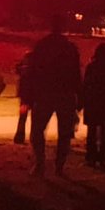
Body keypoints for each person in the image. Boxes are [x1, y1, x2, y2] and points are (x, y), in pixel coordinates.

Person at [22, 17, 81, 177]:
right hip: (64, 94)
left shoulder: (42, 46)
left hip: (45, 93)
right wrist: (78, 97)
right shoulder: (70, 48)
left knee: (37, 130)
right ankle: (59, 166)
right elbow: (76, 75)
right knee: (64, 133)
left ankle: (40, 162)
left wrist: (28, 96)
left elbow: (32, 72)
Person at [81, 43, 105, 167]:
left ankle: (91, 156)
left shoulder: (92, 66)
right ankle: (103, 157)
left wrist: (82, 100)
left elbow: (86, 84)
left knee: (91, 130)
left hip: (92, 101)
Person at [12, 51, 31, 144]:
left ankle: (19, 137)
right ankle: (33, 137)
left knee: (22, 117)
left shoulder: (23, 70)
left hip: (25, 95)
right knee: (34, 118)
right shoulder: (35, 69)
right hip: (33, 95)